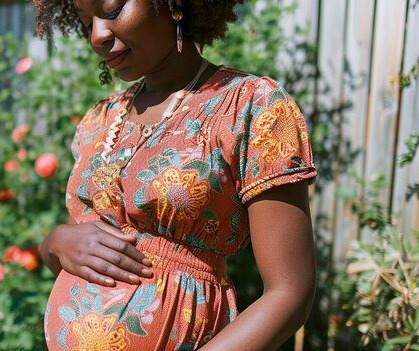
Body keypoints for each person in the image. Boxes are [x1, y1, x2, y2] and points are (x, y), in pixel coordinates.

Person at [34, 0, 317, 349]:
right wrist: (55, 244)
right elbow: (87, 262)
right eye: (85, 21)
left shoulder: (249, 107)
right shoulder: (100, 120)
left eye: (110, 11)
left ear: (175, 4)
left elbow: (291, 293)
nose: (97, 35)